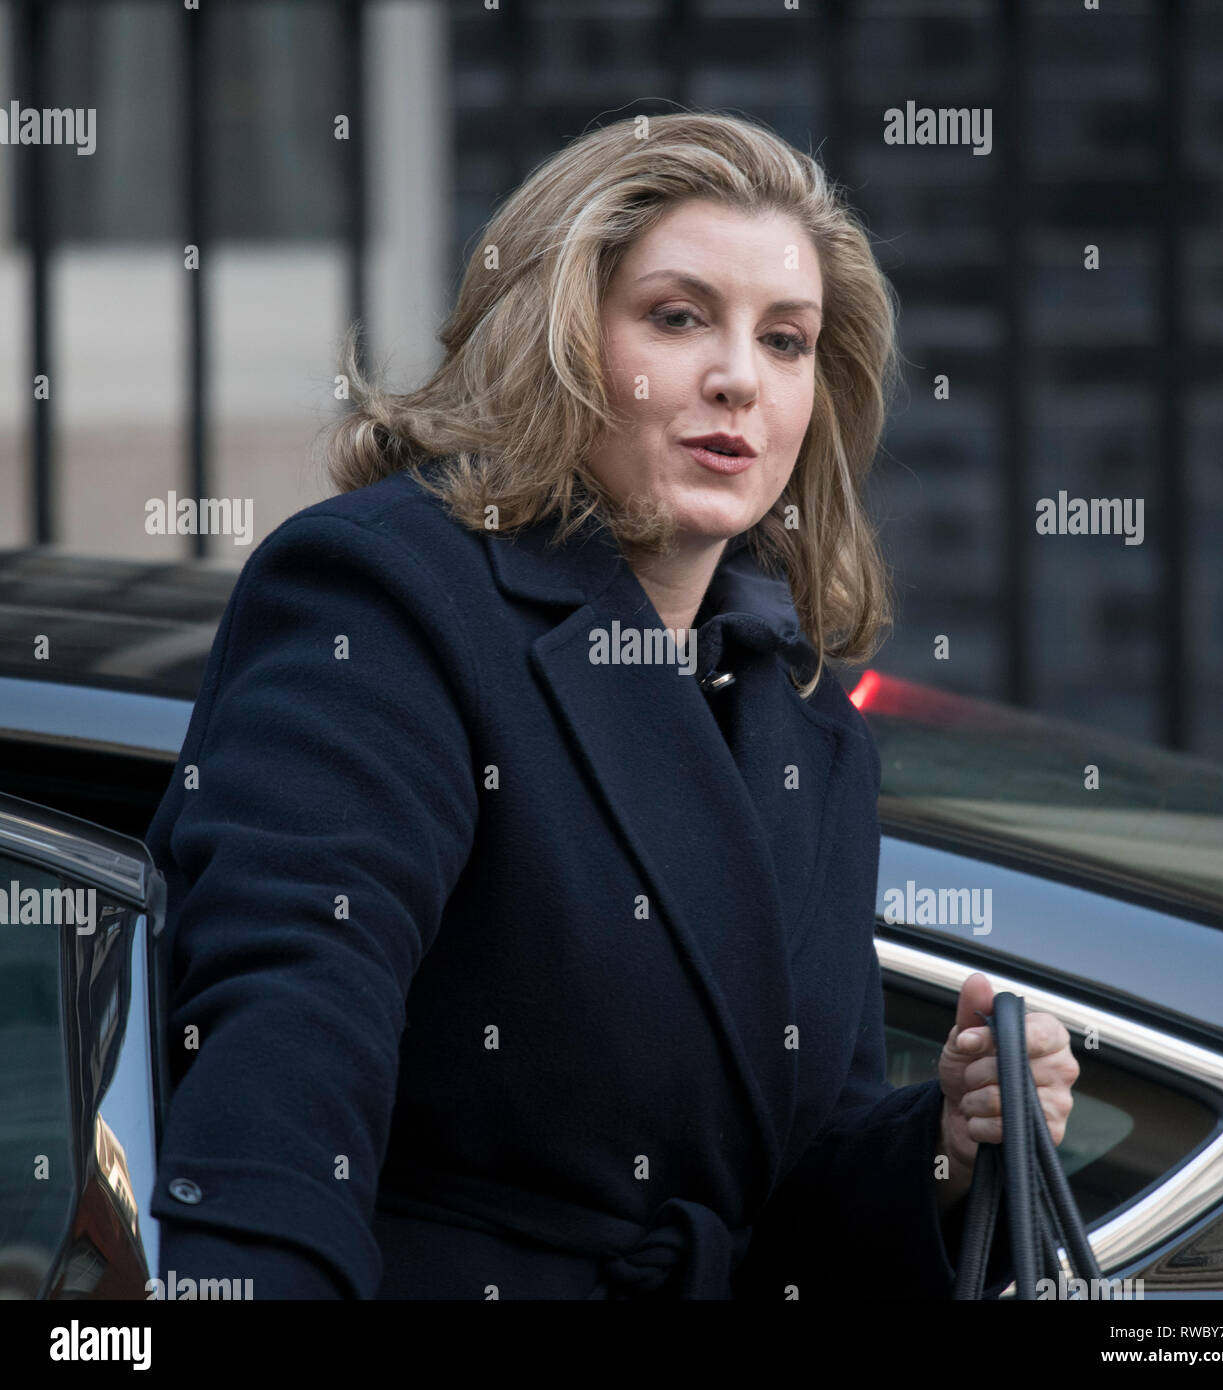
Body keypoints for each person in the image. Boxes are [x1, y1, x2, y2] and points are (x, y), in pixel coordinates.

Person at [145, 110, 1078, 1300]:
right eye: (678, 317)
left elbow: (781, 1194)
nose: (739, 376)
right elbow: (287, 1035)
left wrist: (940, 1147)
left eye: (784, 339)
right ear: (559, 340)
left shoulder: (801, 714)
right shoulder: (390, 590)